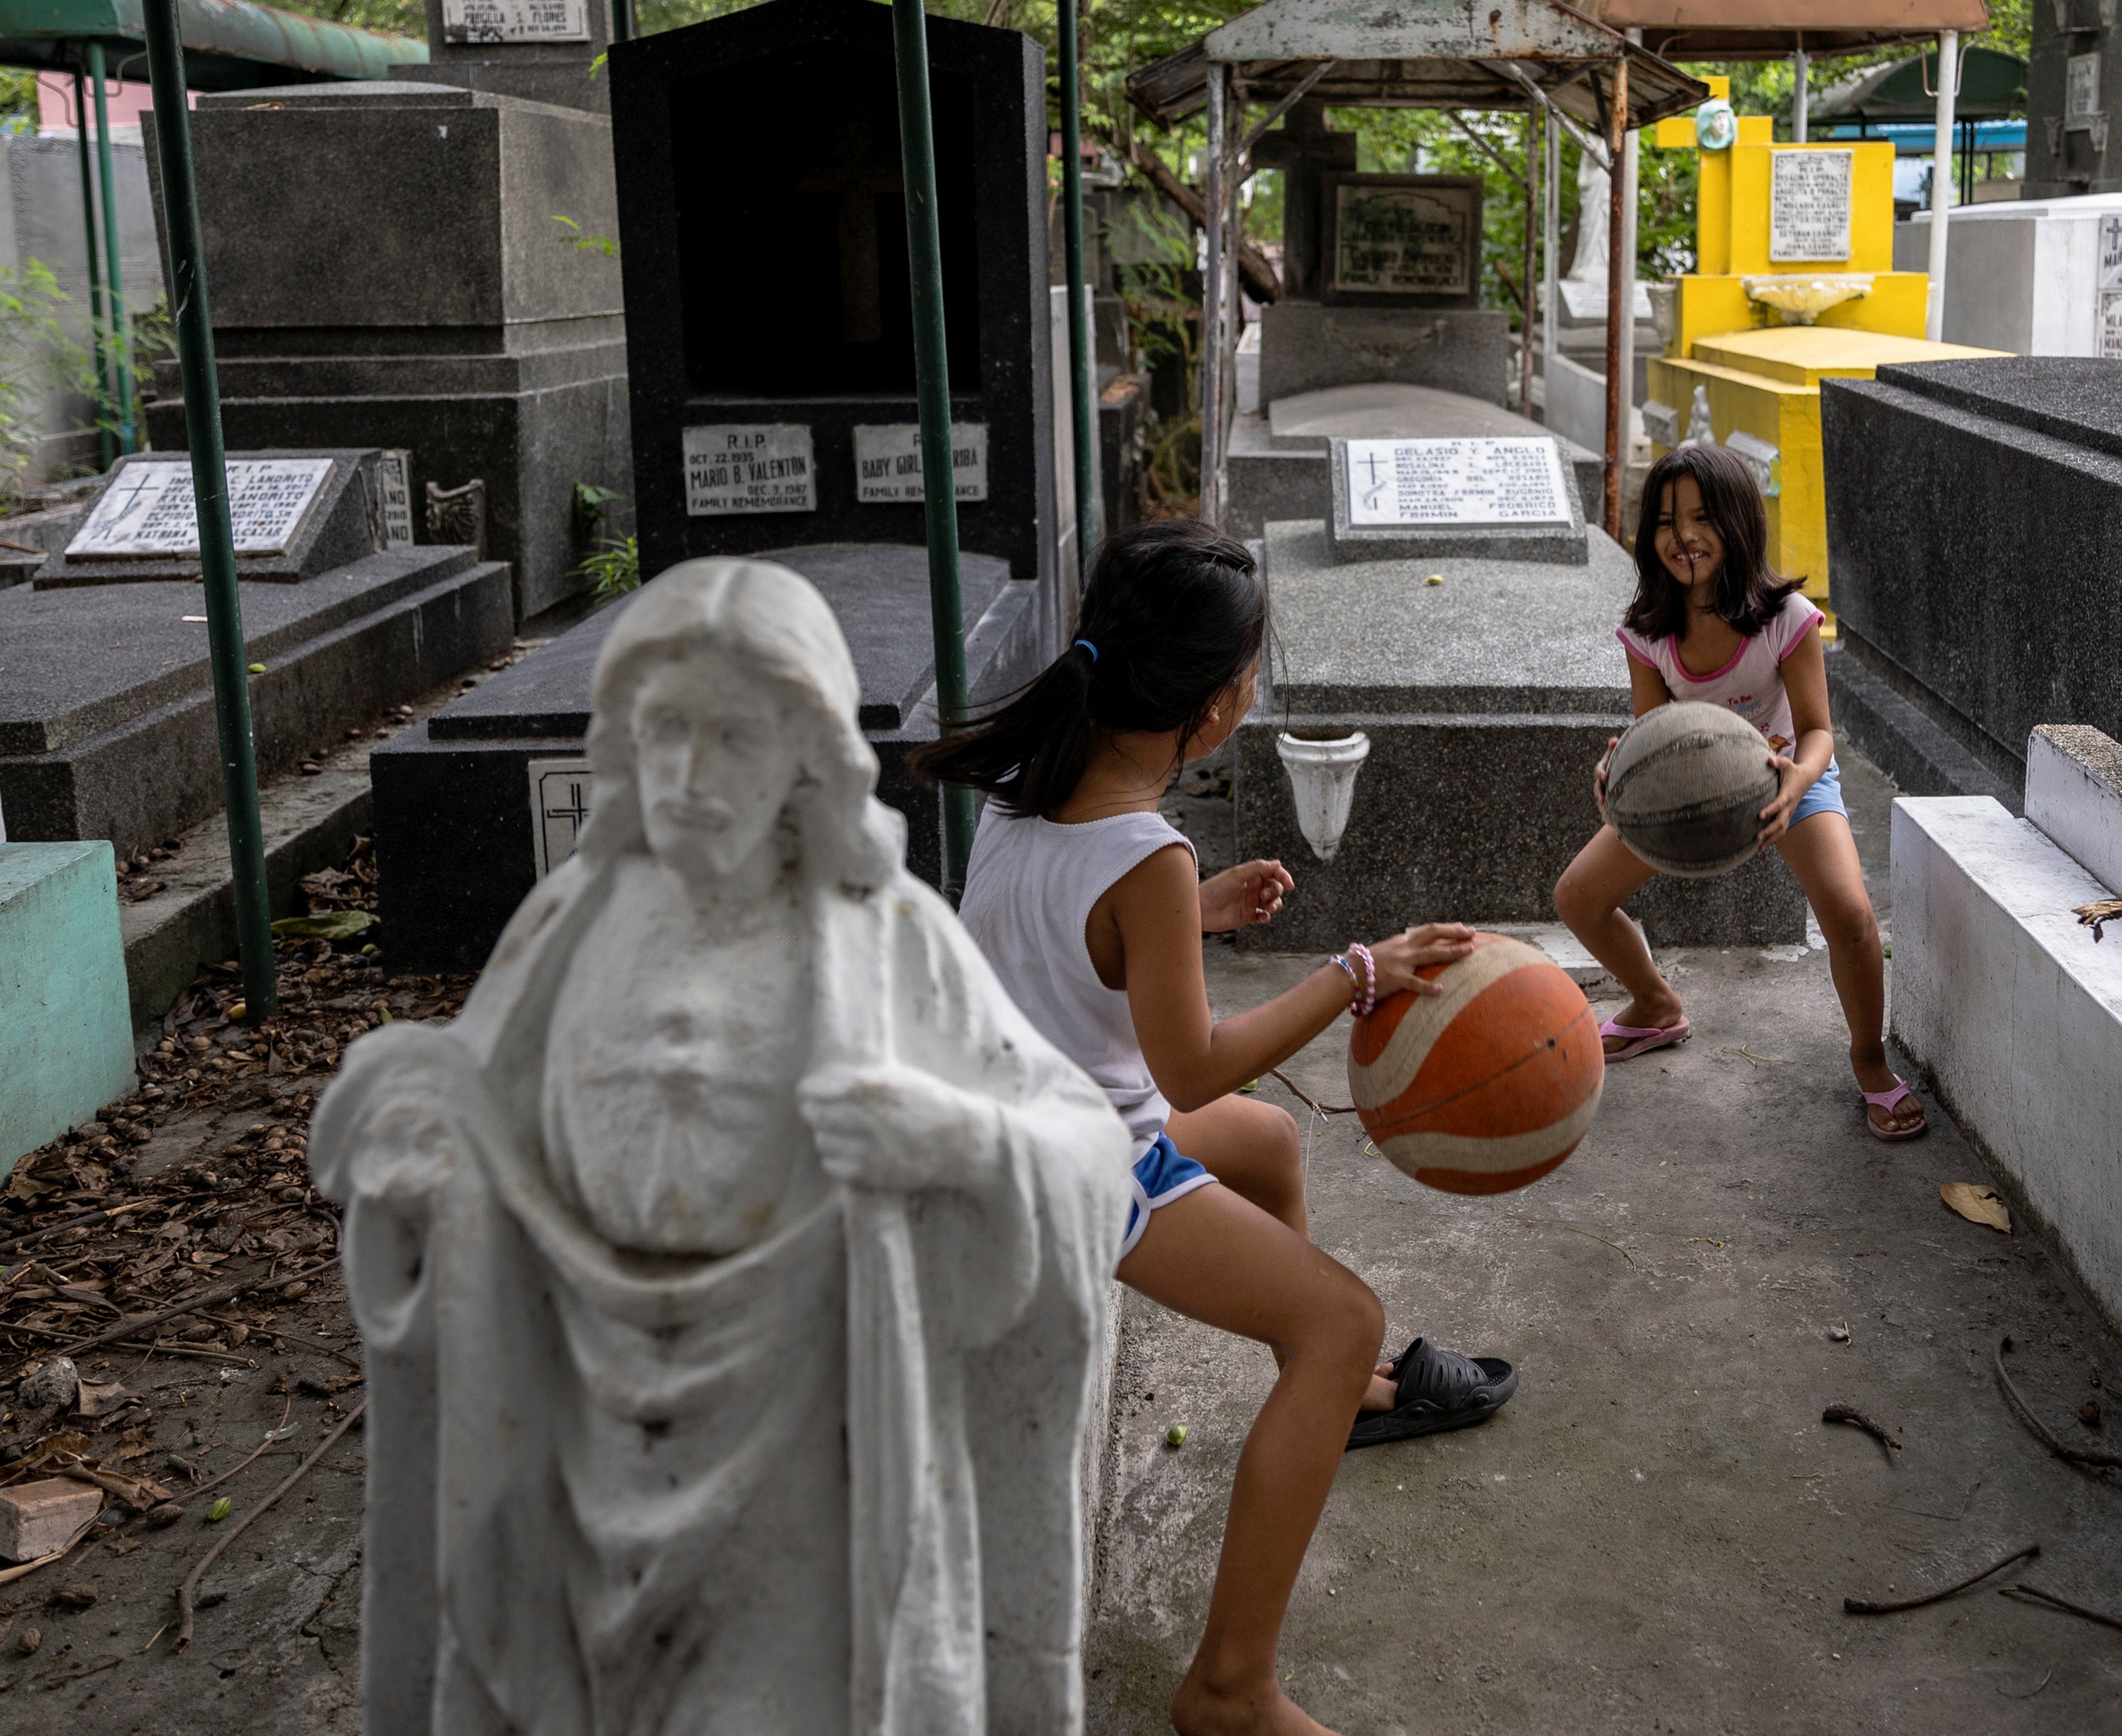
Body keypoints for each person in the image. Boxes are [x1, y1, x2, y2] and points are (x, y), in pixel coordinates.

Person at [314, 557, 1133, 1733]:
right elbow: (452, 1109)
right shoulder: (567, 924)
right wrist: (420, 1160)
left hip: (804, 1439)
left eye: (733, 739)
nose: (690, 778)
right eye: (665, 733)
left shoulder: (887, 938)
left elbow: (1081, 1143)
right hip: (570, 1428)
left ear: (805, 754)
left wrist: (959, 1140)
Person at [919, 519, 1513, 1736]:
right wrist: (1356, 971)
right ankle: (1231, 1687)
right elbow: (1191, 1072)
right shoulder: (1145, 848)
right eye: (1252, 670)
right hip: (1089, 1167)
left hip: (1024, 1122)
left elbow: (1061, 941)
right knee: (1340, 1318)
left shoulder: (1028, 787)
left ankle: (1332, 1401)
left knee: (1270, 1145)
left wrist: (1195, 915)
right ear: (1214, 705)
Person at [1554, 443, 1925, 1140]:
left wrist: (1797, 784)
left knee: (1850, 913)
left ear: (1736, 522)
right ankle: (1655, 1003)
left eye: (1701, 517)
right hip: (1695, 793)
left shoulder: (1786, 618)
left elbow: (1817, 732)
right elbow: (1655, 732)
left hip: (1791, 778)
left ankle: (1871, 1060)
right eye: (1665, 521)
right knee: (1576, 896)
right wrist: (1620, 766)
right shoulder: (1647, 631)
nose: (1683, 536)